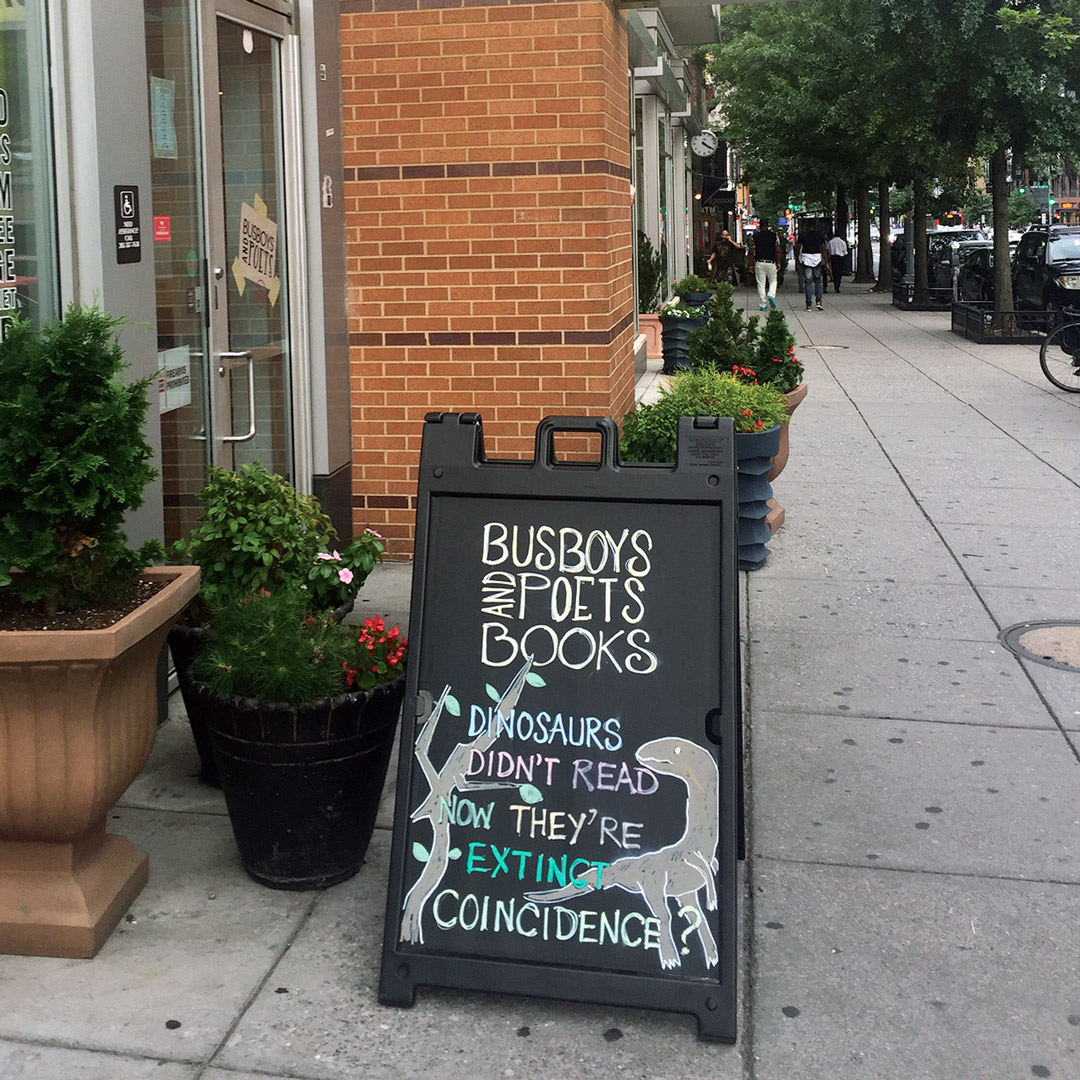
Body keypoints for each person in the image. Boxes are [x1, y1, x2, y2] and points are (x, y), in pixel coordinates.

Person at [795, 223, 829, 310]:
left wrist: (797, 258)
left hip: (806, 258)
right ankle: (819, 301)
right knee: (817, 281)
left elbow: (798, 247)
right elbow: (823, 248)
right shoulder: (819, 235)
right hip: (817, 258)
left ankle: (809, 304)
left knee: (808, 282)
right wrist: (826, 261)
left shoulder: (803, 235)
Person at [748, 223, 781, 310]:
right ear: (767, 227)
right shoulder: (774, 236)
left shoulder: (754, 237)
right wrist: (778, 262)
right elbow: (778, 250)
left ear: (760, 227)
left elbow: (751, 251)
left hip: (759, 262)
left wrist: (750, 264)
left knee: (761, 283)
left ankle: (763, 305)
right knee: (773, 280)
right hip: (771, 262)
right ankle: (771, 294)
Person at [827, 228, 849, 293]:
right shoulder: (843, 242)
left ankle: (835, 284)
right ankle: (837, 285)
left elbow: (829, 251)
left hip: (833, 257)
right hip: (840, 257)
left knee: (834, 271)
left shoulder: (831, 242)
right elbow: (845, 252)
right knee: (839, 272)